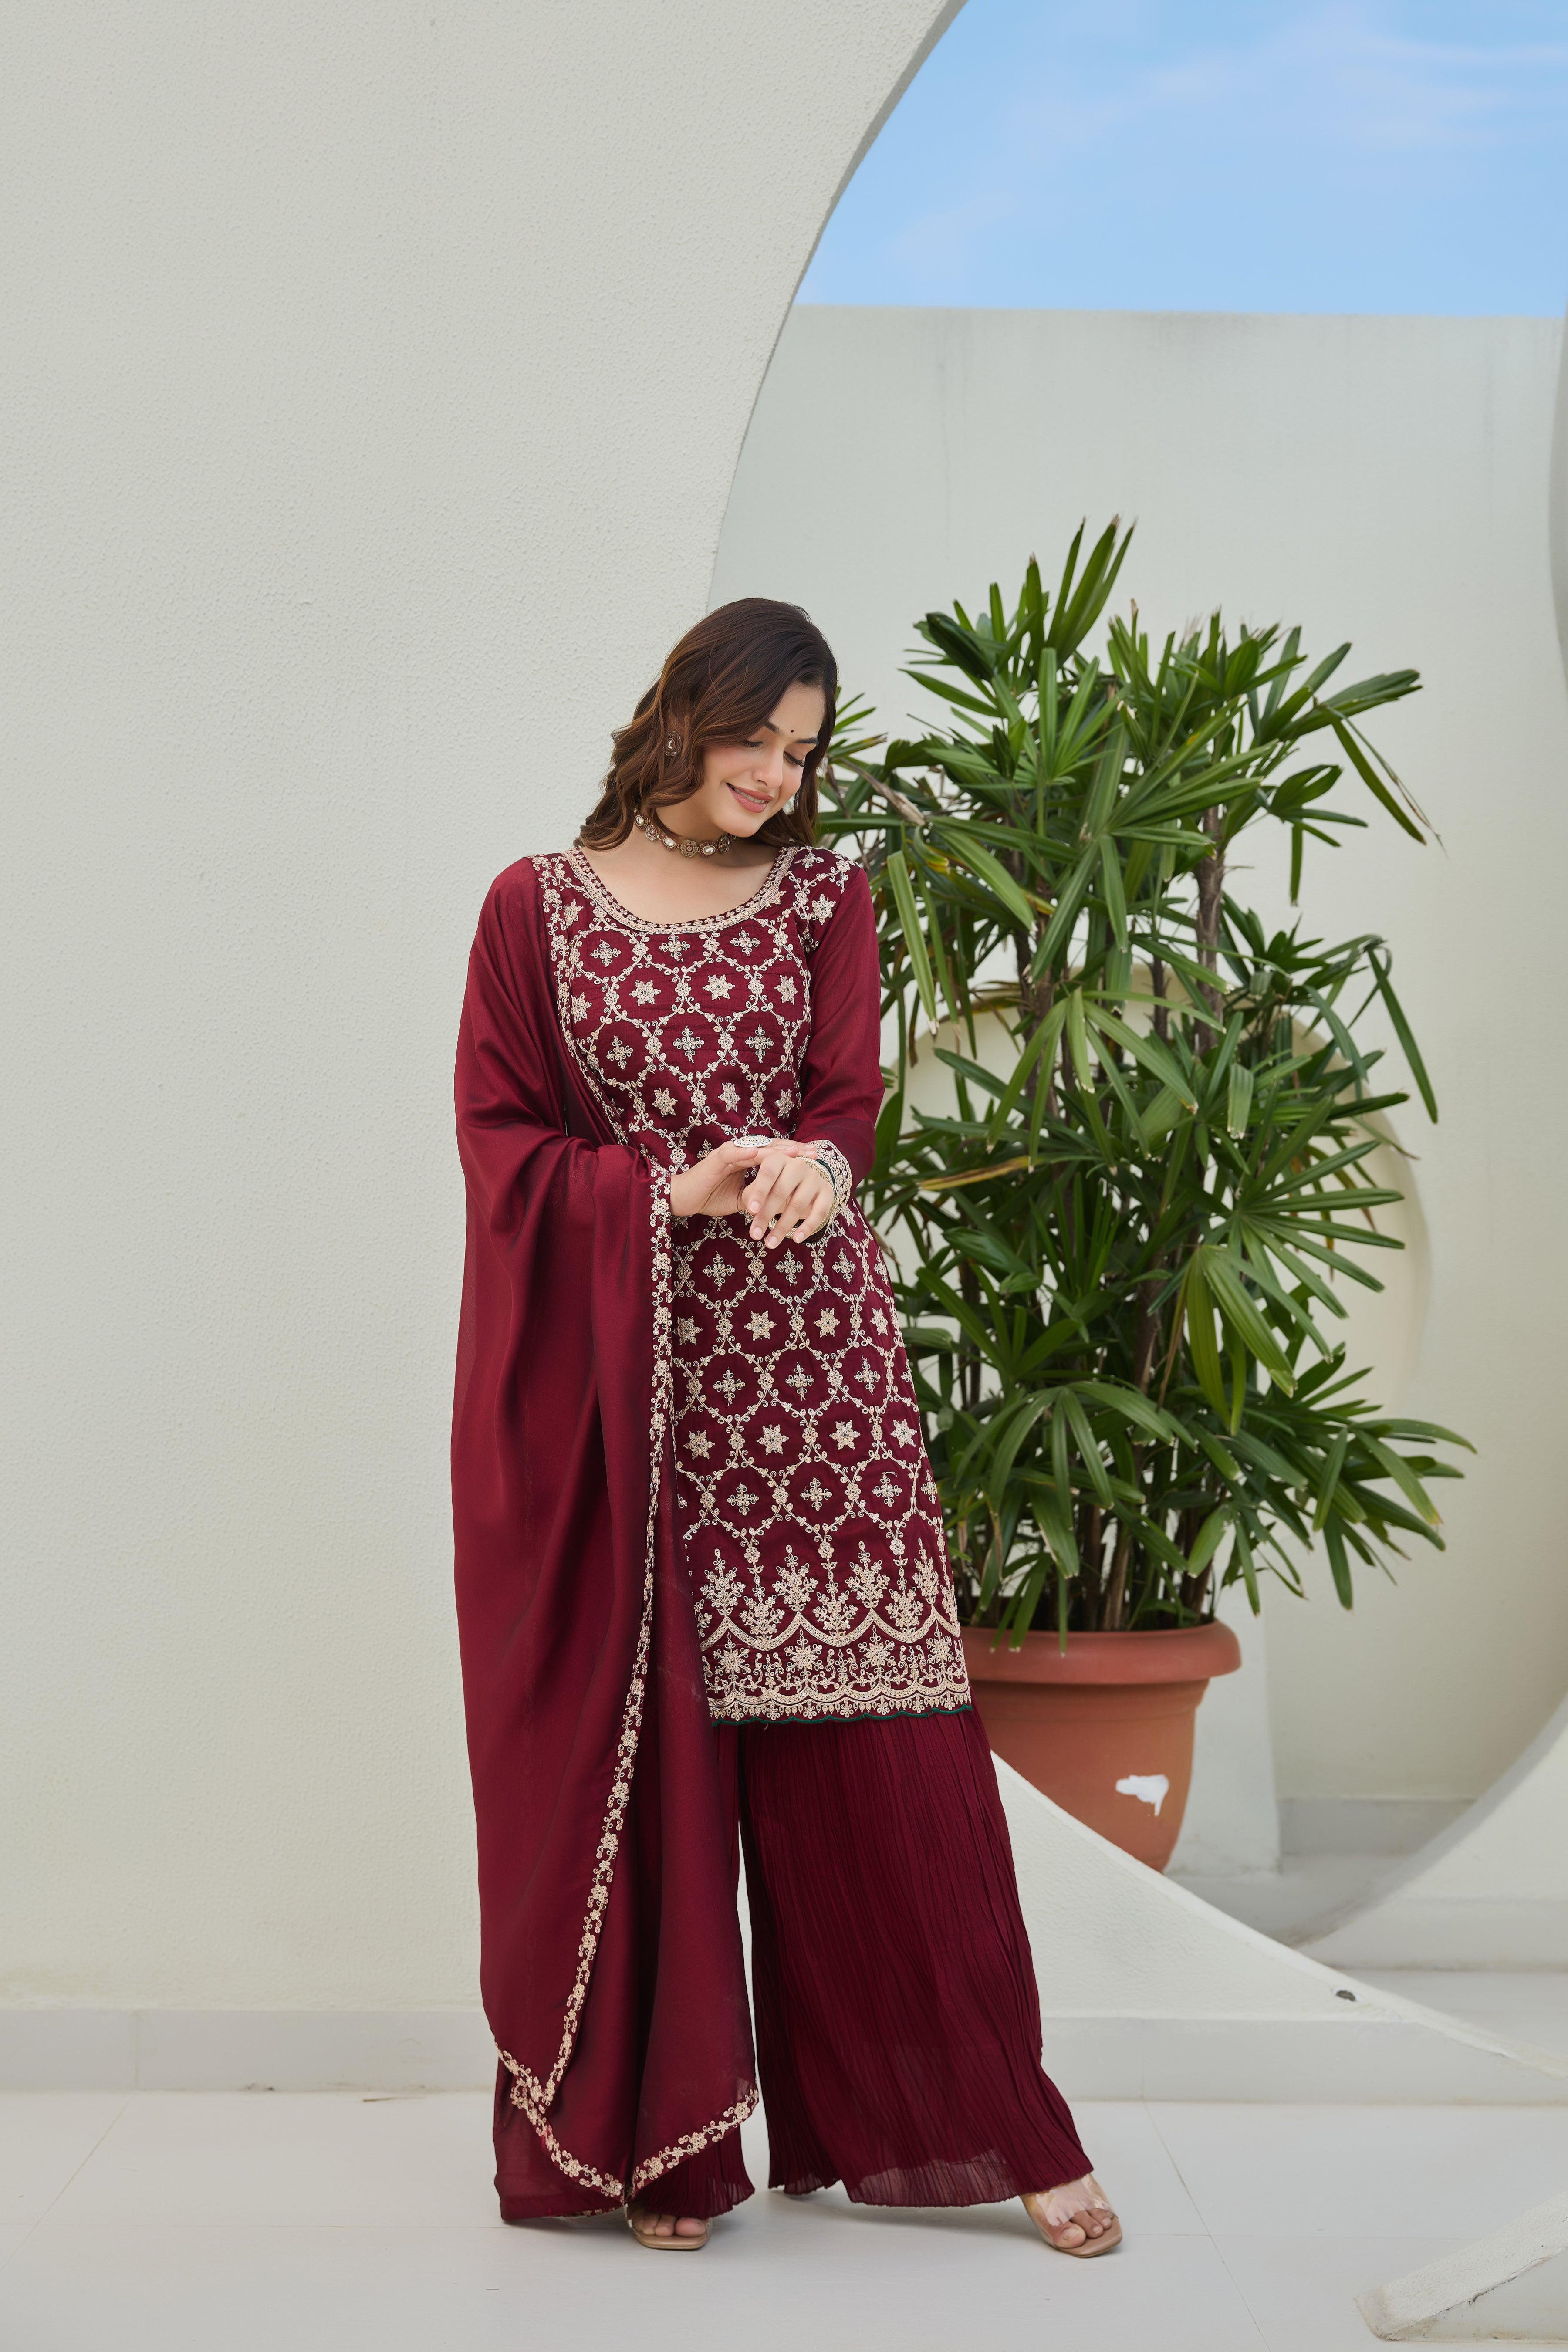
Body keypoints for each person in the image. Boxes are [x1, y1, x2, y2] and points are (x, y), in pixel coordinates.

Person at [451, 597, 1119, 2257]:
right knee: (659, 1765)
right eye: (754, 740)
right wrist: (664, 1191)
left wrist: (819, 1160)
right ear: (680, 716)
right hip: (632, 1397)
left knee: (889, 1760)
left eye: (802, 752)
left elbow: (843, 1100)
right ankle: (659, 2154)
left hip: (815, 1381)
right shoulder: (535, 908)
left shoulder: (828, 895)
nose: (776, 777)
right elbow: (500, 1142)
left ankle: (999, 2125)